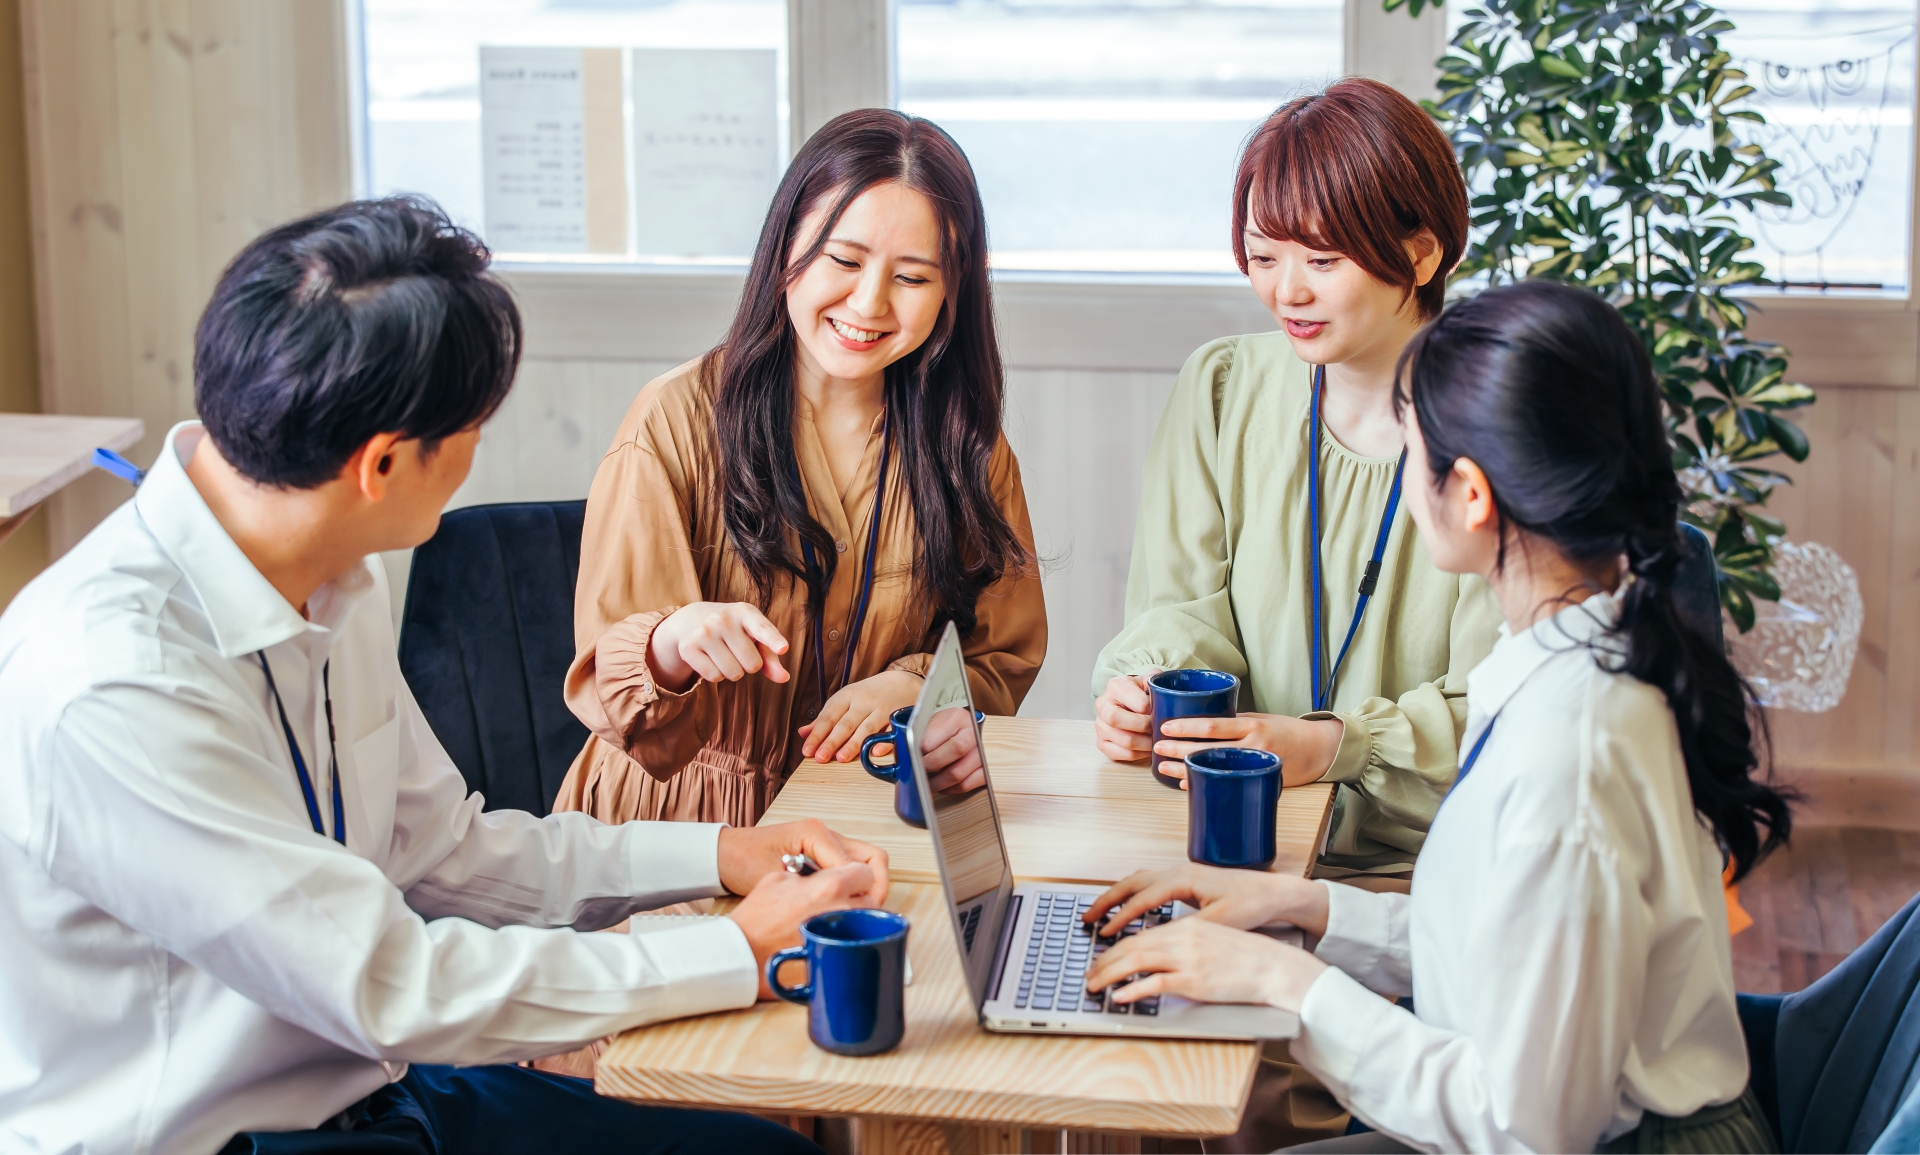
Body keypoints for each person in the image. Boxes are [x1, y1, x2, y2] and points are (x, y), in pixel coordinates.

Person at [0, 198, 889, 1154]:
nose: (479, 450)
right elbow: (392, 984)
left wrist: (721, 854)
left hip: (379, 1095)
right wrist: (734, 949)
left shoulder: (331, 573)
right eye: (473, 425)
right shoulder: (113, 682)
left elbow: (446, 856)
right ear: (383, 465)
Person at [1082, 281, 1792, 1153]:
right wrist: (1301, 908)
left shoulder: (1568, 760)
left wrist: (1287, 985)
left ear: (1470, 495)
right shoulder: (1572, 666)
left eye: (1409, 449)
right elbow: (1507, 955)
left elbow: (1526, 1128)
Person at [554, 108, 1046, 830]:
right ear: (786, 246)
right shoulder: (673, 421)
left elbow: (1001, 656)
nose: (869, 303)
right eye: (843, 262)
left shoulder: (966, 443)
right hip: (677, 828)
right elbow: (612, 693)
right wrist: (674, 643)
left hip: (864, 817)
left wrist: (911, 688)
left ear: (952, 294)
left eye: (912, 277)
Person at [1091, 78, 1502, 881]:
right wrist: (1144, 694)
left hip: (1435, 872)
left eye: (1322, 258)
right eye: (1264, 254)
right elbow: (1176, 608)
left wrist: (1334, 744)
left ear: (1422, 254)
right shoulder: (1222, 388)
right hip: (1236, 843)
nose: (1288, 291)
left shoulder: (1496, 425)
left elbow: (1505, 712)